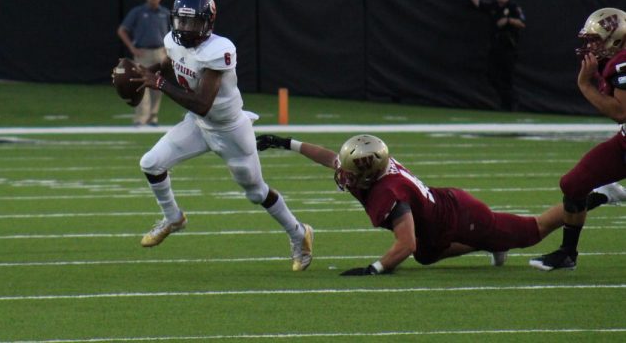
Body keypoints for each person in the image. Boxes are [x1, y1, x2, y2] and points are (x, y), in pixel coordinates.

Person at [256, 132, 621, 275]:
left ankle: (596, 196)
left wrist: (374, 268)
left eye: (350, 173)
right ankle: (493, 245)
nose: (343, 175)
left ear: (368, 172)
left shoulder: (387, 193)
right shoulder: (366, 169)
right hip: (445, 211)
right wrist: (284, 142)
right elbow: (328, 157)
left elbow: (405, 243)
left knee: (533, 231)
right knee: (427, 256)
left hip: (462, 217)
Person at [131, 0, 313, 271]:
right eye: (181, 21)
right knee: (151, 163)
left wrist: (158, 84)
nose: (185, 28)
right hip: (197, 124)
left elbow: (203, 103)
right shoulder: (172, 40)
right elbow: (169, 65)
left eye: (193, 23)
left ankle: (299, 233)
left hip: (229, 130)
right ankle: (173, 217)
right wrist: (142, 72)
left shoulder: (220, 50)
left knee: (255, 192)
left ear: (208, 23)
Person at [529, 7, 626, 271]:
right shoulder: (615, 60)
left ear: (616, 38)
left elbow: (620, 112)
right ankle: (568, 252)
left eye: (596, 39)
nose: (591, 46)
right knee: (573, 184)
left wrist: (585, 85)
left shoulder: (623, 62)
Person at [461, 0, 526, 111]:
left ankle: (510, 105)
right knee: (491, 75)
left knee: (507, 78)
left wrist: (508, 20)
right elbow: (478, 3)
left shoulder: (513, 7)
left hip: (509, 48)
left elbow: (522, 23)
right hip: (495, 48)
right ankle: (506, 101)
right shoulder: (493, 6)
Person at [117, 0, 170, 126]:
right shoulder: (138, 12)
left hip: (160, 52)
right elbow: (122, 30)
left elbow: (173, 33)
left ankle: (153, 117)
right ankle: (141, 118)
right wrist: (132, 48)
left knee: (158, 85)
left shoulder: (165, 13)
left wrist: (168, 50)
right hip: (143, 53)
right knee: (141, 84)